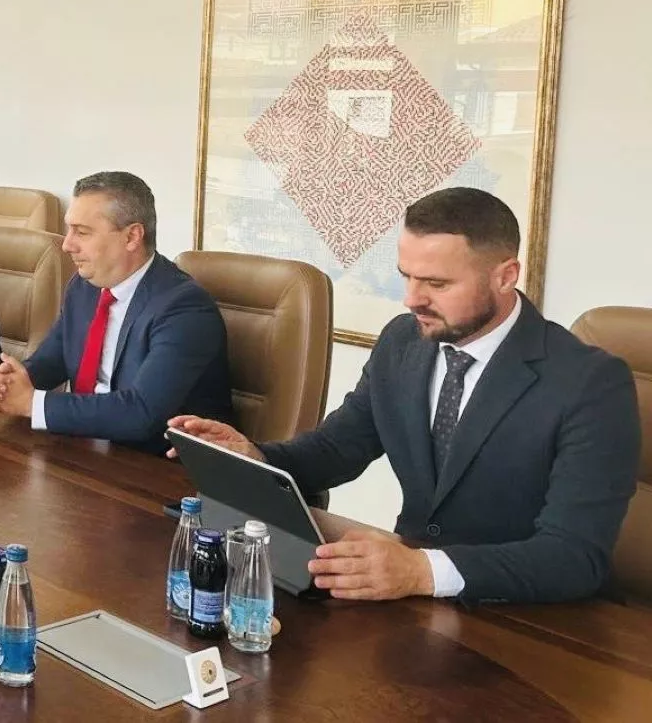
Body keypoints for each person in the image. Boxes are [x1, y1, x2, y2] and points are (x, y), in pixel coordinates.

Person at [171, 187, 641, 604]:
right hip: (408, 600)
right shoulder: (404, 340)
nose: (412, 299)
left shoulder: (590, 384)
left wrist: (423, 571)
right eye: (407, 277)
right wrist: (256, 456)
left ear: (505, 276)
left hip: (526, 620)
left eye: (436, 283)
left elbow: (574, 557)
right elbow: (337, 449)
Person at [0, 171, 233, 454]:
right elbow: (52, 361)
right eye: (69, 230)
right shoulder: (84, 287)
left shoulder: (185, 309)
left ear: (132, 236)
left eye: (82, 232)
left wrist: (31, 404)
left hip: (153, 465)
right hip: (85, 450)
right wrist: (4, 384)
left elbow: (141, 413)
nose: (67, 244)